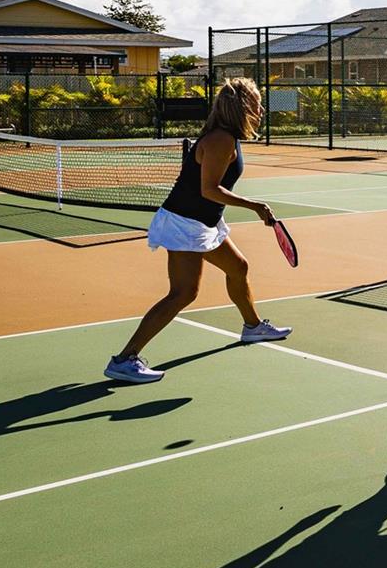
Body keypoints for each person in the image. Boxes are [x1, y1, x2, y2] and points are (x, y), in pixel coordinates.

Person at [104, 78, 291, 384]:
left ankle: (253, 327)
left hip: (204, 222)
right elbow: (209, 189)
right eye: (257, 102)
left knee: (238, 267)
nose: (261, 108)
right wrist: (255, 206)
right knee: (183, 293)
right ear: (243, 107)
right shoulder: (220, 140)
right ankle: (124, 359)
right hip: (184, 222)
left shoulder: (229, 137)